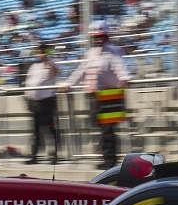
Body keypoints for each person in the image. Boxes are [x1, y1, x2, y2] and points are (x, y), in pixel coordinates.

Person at [64, 21, 132, 166]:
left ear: (106, 36)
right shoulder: (91, 53)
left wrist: (124, 79)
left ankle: (109, 160)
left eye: (101, 36)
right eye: (96, 37)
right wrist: (69, 83)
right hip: (95, 96)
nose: (99, 39)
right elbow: (81, 70)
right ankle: (106, 156)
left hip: (110, 95)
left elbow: (120, 67)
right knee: (101, 126)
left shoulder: (113, 51)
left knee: (108, 129)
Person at [23, 45, 61, 163]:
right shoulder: (34, 67)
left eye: (44, 52)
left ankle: (54, 154)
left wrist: (48, 62)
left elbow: (57, 72)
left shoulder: (51, 64)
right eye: (40, 52)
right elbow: (28, 82)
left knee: (51, 129)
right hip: (35, 102)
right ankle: (34, 155)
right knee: (36, 131)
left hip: (47, 101)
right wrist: (27, 97)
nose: (41, 54)